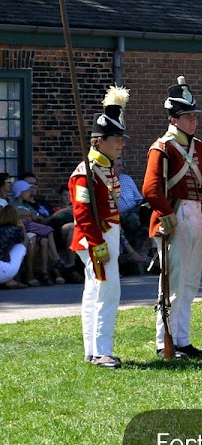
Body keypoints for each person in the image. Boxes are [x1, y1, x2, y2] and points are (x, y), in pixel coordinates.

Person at [143, 76, 202, 359]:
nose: (193, 121)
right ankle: (165, 341)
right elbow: (151, 189)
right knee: (173, 283)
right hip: (176, 214)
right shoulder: (163, 147)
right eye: (187, 116)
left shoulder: (198, 146)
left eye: (194, 115)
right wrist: (167, 215)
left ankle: (182, 339)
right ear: (174, 119)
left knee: (191, 282)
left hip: (196, 214)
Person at [70, 86, 128, 368]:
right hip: (96, 238)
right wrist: (97, 243)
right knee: (106, 292)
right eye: (116, 139)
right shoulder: (87, 171)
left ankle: (93, 350)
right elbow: (82, 213)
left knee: (96, 292)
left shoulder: (104, 168)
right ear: (98, 140)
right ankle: (102, 351)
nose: (121, 144)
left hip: (106, 235)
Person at [0, 204, 27, 288]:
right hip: (3, 270)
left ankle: (10, 280)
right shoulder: (15, 229)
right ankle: (11, 281)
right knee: (20, 247)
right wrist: (23, 229)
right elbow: (25, 243)